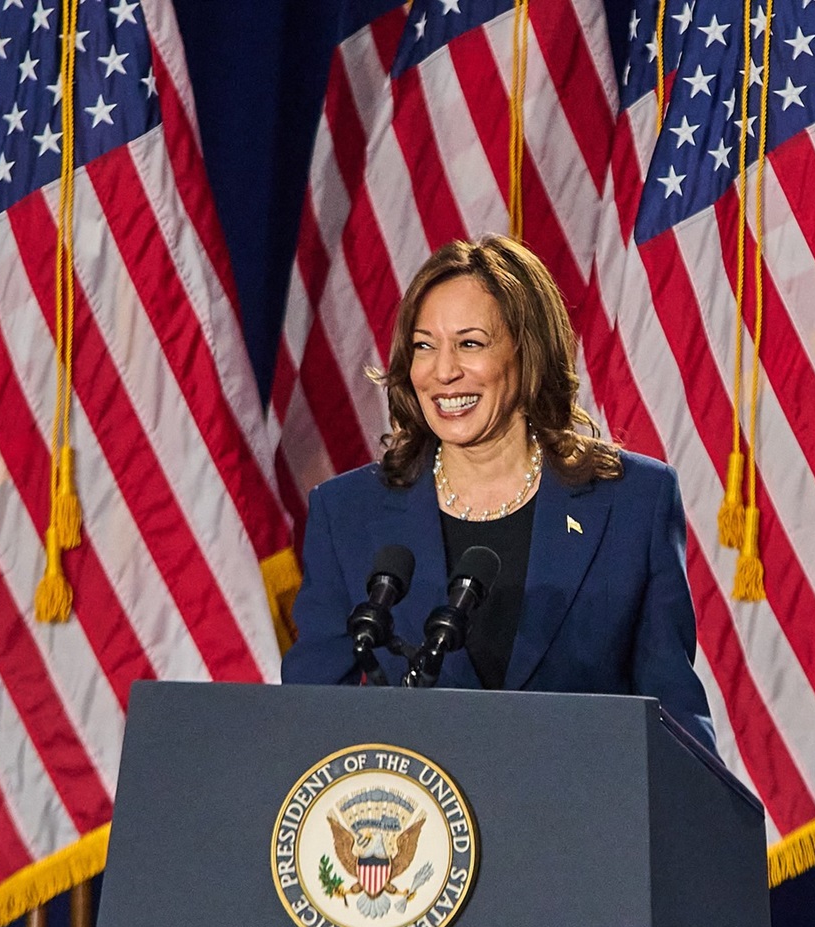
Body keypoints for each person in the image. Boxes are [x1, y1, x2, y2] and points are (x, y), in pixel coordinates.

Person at [281, 235, 716, 750]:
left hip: (585, 818)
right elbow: (309, 719)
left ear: (526, 352)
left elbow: (674, 715)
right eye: (424, 346)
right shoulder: (348, 513)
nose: (442, 372)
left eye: (470, 344)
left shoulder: (633, 502)